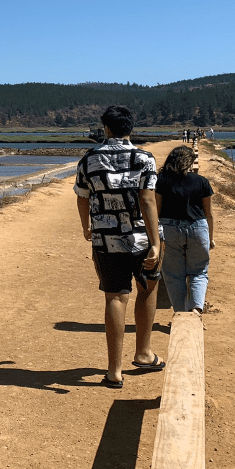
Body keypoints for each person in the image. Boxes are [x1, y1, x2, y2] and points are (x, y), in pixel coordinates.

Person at [75, 105, 165, 389]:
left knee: (115, 297)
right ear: (131, 129)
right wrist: (156, 243)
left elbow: (82, 197)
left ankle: (114, 371)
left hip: (105, 239)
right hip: (141, 237)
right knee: (148, 288)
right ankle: (143, 352)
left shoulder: (89, 159)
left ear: (106, 128)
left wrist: (87, 227)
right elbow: (148, 200)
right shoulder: (145, 158)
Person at [155, 145, 215, 314]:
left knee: (174, 276)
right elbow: (209, 214)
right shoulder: (202, 181)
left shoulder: (162, 180)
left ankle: (181, 313)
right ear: (190, 162)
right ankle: (196, 309)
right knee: (199, 272)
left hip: (170, 230)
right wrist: (210, 238)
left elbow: (156, 211)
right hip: (198, 228)